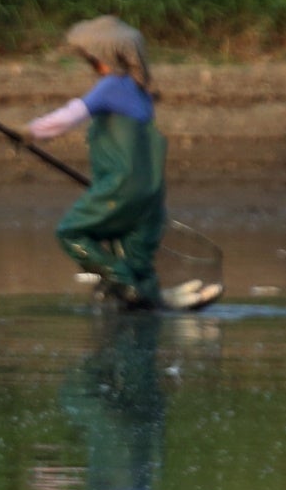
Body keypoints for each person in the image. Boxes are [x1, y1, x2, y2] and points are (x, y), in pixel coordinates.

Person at [24, 16, 186, 309]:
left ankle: (120, 281)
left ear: (101, 58)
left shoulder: (112, 86)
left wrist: (31, 131)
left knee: (71, 232)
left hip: (119, 188)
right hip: (151, 195)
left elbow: (71, 115)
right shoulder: (142, 91)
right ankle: (146, 297)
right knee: (139, 263)